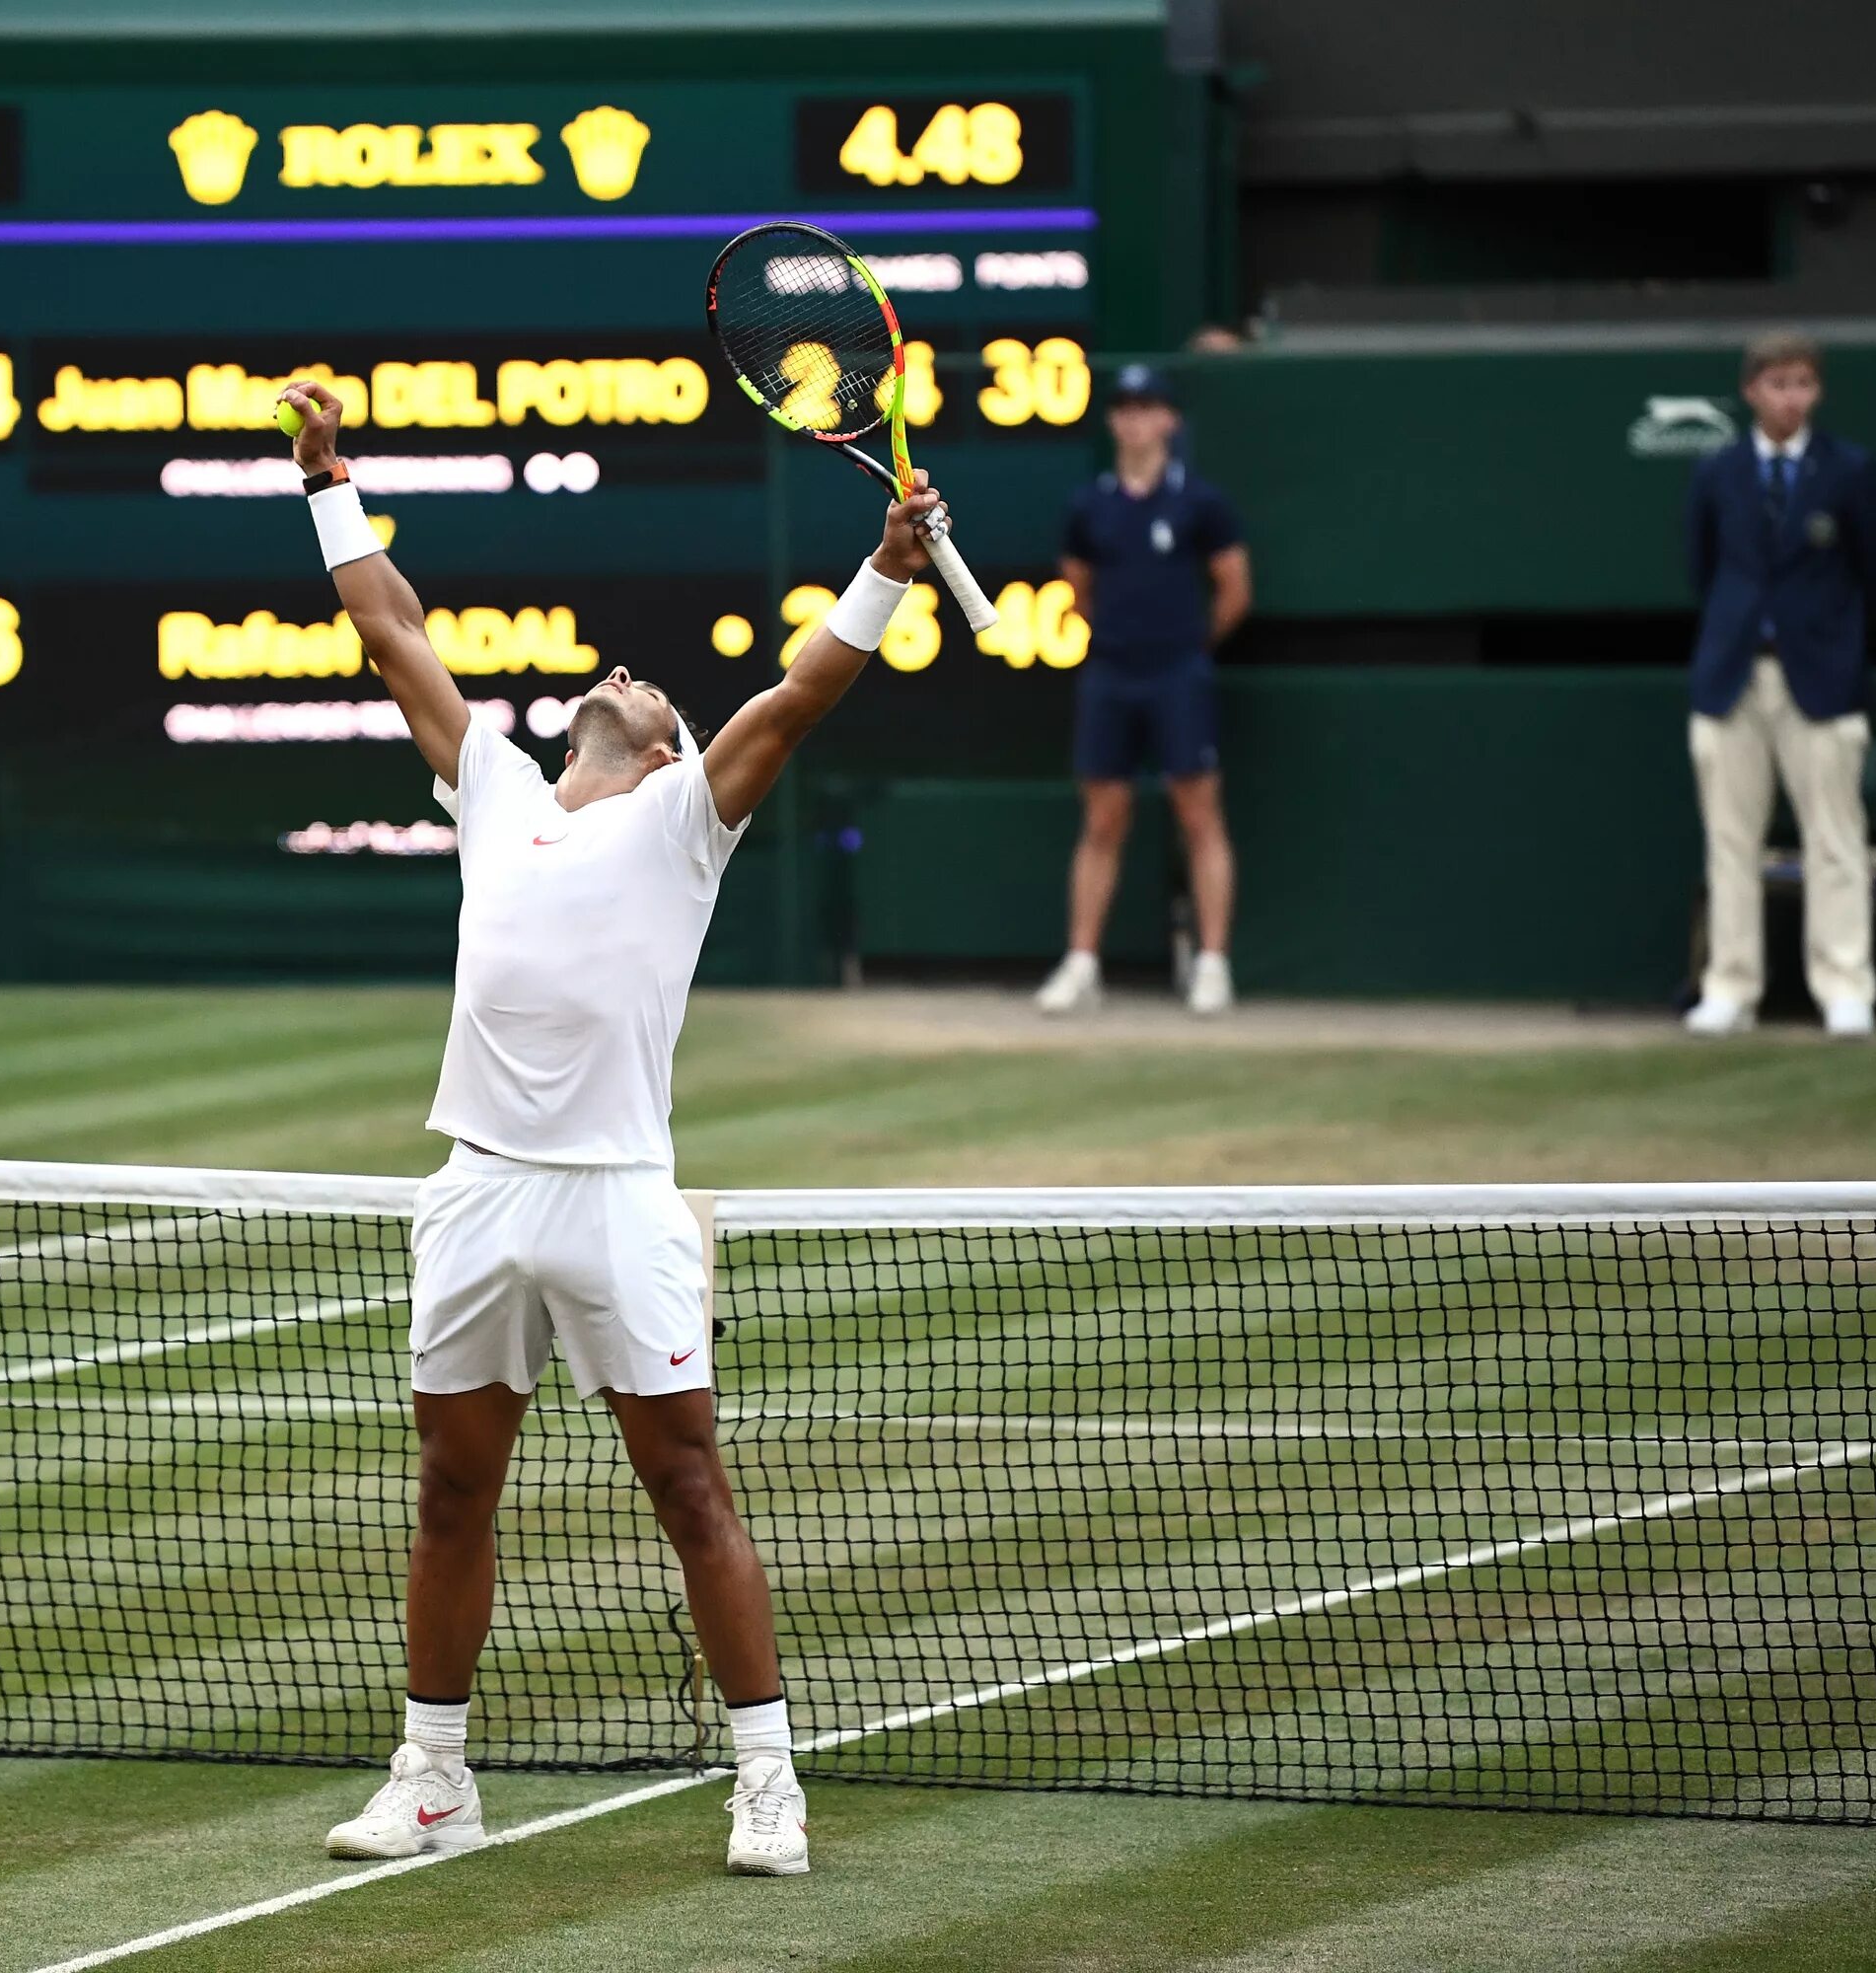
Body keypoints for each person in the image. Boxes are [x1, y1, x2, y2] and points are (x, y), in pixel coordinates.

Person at [279, 380, 937, 1879]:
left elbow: (794, 698)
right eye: (627, 685)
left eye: (652, 693)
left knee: (688, 1484)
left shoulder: (687, 818)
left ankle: (768, 1784)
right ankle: (434, 1777)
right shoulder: (500, 789)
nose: (629, 678)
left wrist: (888, 569)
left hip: (619, 1202)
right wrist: (328, 479)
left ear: (663, 751)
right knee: (452, 1488)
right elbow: (392, 632)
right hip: (478, 1194)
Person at [1681, 331, 1876, 1039]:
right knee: (1729, 839)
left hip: (1822, 679)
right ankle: (1730, 987)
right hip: (1732, 677)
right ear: (1751, 392)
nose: (1791, 398)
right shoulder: (1717, 472)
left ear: (1818, 392)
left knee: (1835, 837)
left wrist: (1830, 639)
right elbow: (1702, 568)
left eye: (1803, 384)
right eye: (1777, 384)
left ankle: (1845, 986)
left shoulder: (1853, 471)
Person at [1036, 363, 1253, 1016]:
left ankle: (1213, 964)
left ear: (1170, 420)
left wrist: (1187, 646)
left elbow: (1235, 590)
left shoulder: (1202, 504)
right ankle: (1082, 963)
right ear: (1112, 421)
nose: (1134, 418)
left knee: (1198, 814)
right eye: (1124, 407)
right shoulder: (1089, 507)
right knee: (1102, 818)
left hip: (1179, 673)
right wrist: (1117, 639)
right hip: (1110, 672)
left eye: (1147, 406)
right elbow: (1077, 586)